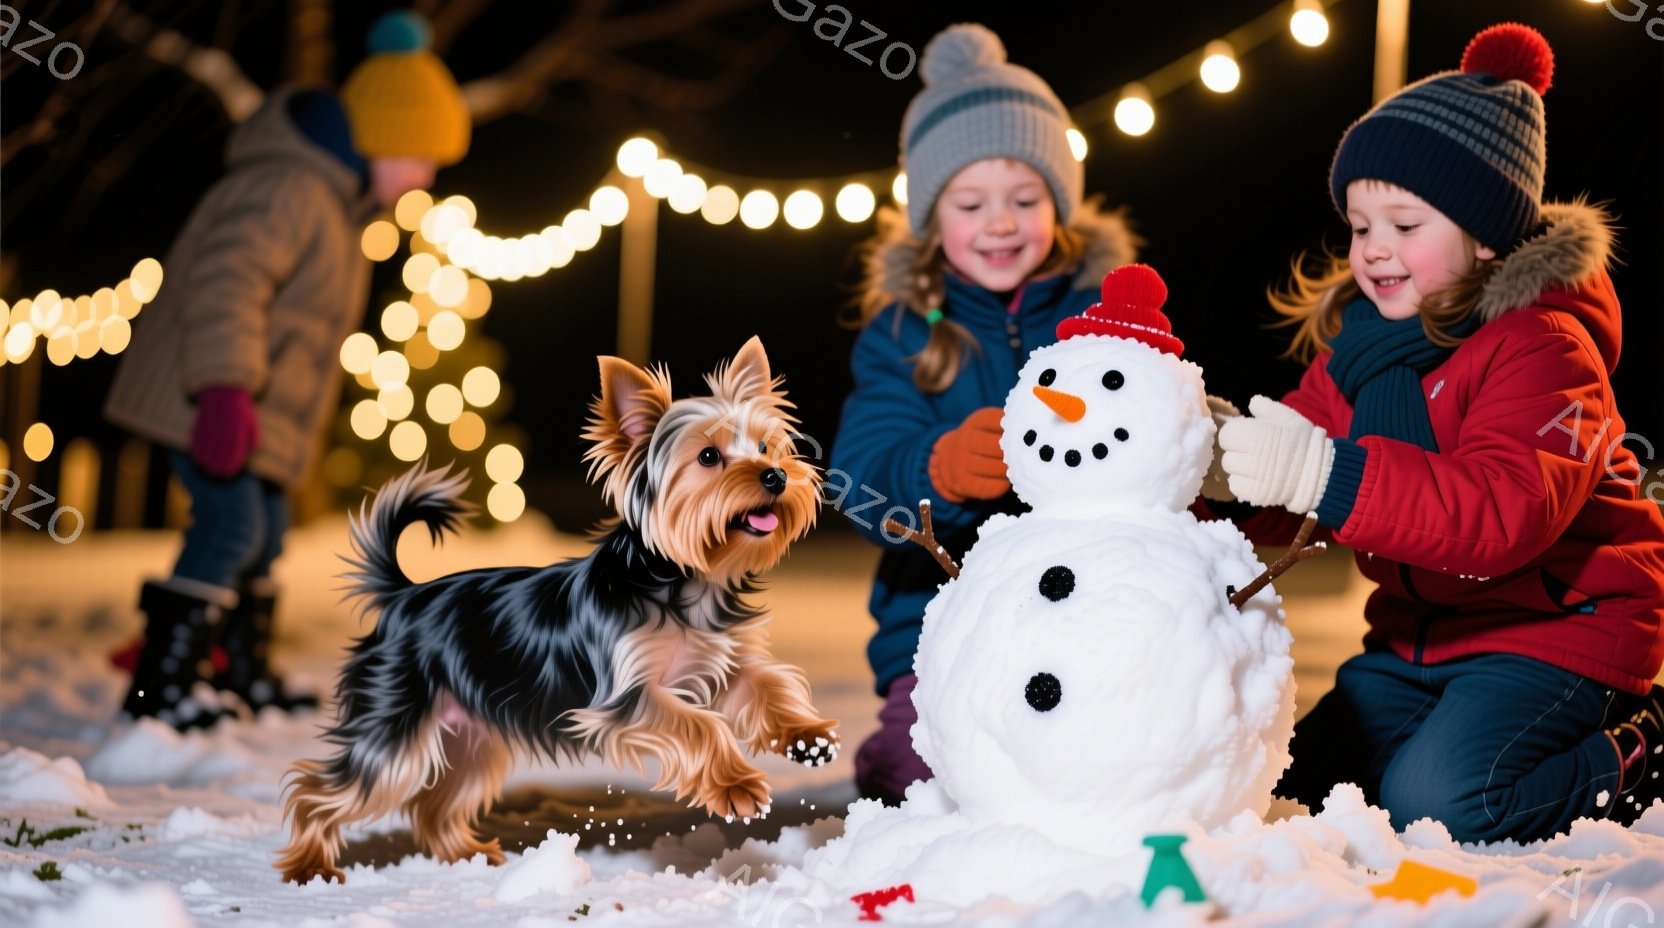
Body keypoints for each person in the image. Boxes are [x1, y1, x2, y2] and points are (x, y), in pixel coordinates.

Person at [1211, 23, 1664, 840]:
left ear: (1486, 233)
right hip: (1414, 645)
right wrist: (1213, 476)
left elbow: (1502, 513)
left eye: (1405, 225)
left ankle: (1636, 750)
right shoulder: (1365, 353)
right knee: (1295, 790)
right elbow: (1290, 476)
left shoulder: (1545, 347)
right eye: (1359, 225)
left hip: (1557, 636)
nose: (1374, 250)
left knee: (1444, 805)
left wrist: (1324, 474)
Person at [104, 12, 470, 730]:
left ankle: (238, 670)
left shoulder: (342, 209)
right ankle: (159, 688)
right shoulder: (291, 187)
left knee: (265, 530)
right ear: (383, 137)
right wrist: (224, 387)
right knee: (231, 525)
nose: (427, 176)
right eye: (421, 156)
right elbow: (228, 280)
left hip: (253, 411)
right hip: (209, 395)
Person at [829, 23, 1137, 804]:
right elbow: (856, 475)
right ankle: (894, 752)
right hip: (942, 626)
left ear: (1059, 200)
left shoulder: (1105, 314)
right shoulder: (902, 333)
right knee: (938, 782)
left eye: (1025, 198)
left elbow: (1161, 428)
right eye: (971, 202)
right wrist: (936, 469)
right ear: (933, 217)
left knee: (1106, 768)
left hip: (1086, 615)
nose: (1001, 222)